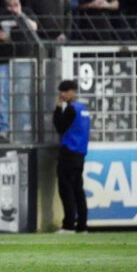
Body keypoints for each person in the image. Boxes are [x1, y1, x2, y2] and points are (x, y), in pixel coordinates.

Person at [53, 79, 90, 234]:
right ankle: (82, 226)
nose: (62, 94)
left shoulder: (71, 109)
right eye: (61, 91)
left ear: (73, 91)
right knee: (78, 190)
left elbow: (60, 126)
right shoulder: (84, 109)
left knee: (66, 189)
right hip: (80, 153)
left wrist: (57, 108)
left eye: (65, 91)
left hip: (69, 153)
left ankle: (68, 225)